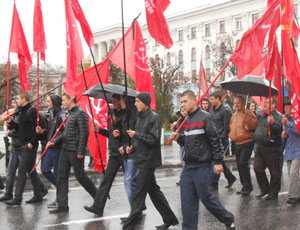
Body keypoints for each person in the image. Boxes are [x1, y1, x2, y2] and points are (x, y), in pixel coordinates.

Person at [171, 90, 235, 230]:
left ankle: (228, 219)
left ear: (194, 100)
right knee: (187, 203)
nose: (183, 105)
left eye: (185, 101)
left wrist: (218, 162)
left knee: (206, 198)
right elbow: (188, 142)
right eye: (181, 102)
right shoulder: (186, 120)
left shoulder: (206, 117)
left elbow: (215, 141)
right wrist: (179, 138)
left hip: (202, 165)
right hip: (188, 167)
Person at [122, 92, 178, 230]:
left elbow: (153, 139)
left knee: (139, 192)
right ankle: (170, 219)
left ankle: (129, 225)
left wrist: (137, 134)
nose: (135, 104)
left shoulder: (155, 118)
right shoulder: (139, 117)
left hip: (149, 160)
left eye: (137, 101)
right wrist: (131, 148)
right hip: (140, 157)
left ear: (145, 102)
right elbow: (138, 140)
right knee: (154, 191)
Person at [84, 94, 138, 216]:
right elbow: (112, 135)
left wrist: (120, 135)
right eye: (112, 101)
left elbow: (127, 134)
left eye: (115, 100)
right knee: (106, 180)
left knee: (131, 182)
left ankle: (137, 208)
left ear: (121, 100)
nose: (113, 103)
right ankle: (98, 207)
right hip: (114, 152)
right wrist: (100, 131)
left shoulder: (127, 114)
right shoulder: (112, 114)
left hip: (124, 152)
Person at [50, 93, 97, 213]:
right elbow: (65, 133)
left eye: (64, 100)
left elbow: (84, 133)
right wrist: (54, 142)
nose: (63, 103)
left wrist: (81, 151)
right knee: (61, 176)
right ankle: (62, 205)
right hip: (65, 149)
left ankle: (98, 199)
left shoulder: (80, 113)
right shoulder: (70, 114)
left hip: (75, 150)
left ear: (71, 100)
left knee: (80, 176)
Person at [5, 92, 46, 205]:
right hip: (23, 144)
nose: (16, 100)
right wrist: (11, 122)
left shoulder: (32, 110)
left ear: (24, 99)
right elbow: (20, 128)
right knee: (31, 171)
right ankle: (39, 194)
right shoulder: (21, 110)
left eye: (18, 98)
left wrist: (32, 143)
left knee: (22, 171)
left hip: (29, 145)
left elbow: (39, 129)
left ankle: (18, 198)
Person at [36, 95, 66, 208]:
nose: (47, 103)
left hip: (58, 148)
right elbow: (49, 132)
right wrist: (42, 132)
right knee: (45, 169)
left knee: (58, 174)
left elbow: (64, 132)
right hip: (50, 147)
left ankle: (60, 198)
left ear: (54, 102)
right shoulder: (51, 114)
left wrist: (55, 141)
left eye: (48, 101)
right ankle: (62, 189)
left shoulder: (61, 114)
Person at [253, 97, 283, 200]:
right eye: (264, 102)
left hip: (272, 147)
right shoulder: (262, 115)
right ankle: (264, 189)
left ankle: (274, 192)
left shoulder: (277, 116)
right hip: (260, 146)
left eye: (267, 103)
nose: (264, 104)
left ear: (274, 105)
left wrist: (273, 123)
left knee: (274, 171)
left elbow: (280, 130)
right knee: (257, 168)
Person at [229, 96, 257, 196]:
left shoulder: (249, 113)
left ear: (243, 103)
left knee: (242, 163)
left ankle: (248, 186)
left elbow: (253, 126)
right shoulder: (234, 115)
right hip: (237, 143)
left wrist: (248, 122)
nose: (236, 105)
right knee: (239, 165)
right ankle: (244, 185)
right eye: (235, 103)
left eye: (238, 103)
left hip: (247, 142)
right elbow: (231, 126)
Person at [209, 92, 236, 191]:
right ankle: (230, 177)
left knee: (216, 160)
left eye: (212, 99)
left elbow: (228, 125)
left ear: (218, 98)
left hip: (222, 139)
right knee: (219, 160)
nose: (210, 101)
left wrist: (222, 137)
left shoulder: (226, 110)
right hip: (214, 139)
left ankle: (214, 183)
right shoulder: (214, 110)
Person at [281, 102, 300, 204]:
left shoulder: (297, 119)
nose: (286, 110)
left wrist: (288, 123)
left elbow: (298, 131)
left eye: (288, 108)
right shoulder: (285, 120)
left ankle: (292, 196)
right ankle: (298, 194)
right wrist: (283, 136)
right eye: (285, 108)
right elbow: (286, 138)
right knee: (292, 175)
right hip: (289, 151)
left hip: (298, 150)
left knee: (293, 173)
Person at [173, 107, 187, 186]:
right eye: (182, 111)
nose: (184, 112)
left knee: (185, 163)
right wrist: (175, 126)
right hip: (181, 144)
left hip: (187, 143)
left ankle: (183, 179)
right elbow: (175, 132)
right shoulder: (179, 121)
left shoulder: (188, 119)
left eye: (185, 110)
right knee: (183, 162)